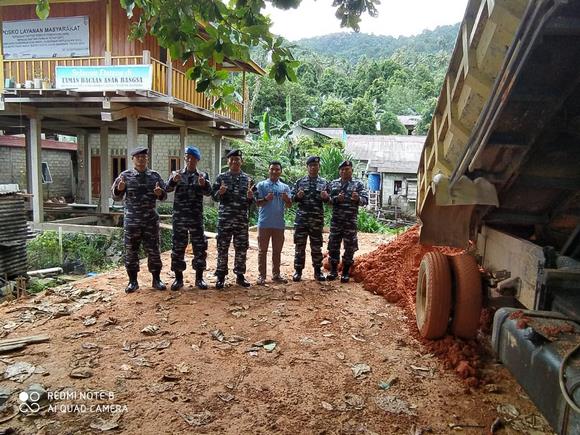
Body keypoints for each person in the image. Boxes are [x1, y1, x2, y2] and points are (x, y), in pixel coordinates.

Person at [111, 146, 168, 293]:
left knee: (154, 250)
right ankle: (133, 282)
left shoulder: (154, 176)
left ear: (147, 159)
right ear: (133, 159)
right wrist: (120, 188)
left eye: (143, 157)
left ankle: (156, 279)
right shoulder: (125, 176)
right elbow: (115, 197)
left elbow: (164, 196)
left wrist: (159, 192)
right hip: (132, 221)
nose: (141, 160)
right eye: (138, 157)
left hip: (150, 220)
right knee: (131, 252)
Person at [165, 146, 211, 291]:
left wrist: (204, 184)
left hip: (196, 217)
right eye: (187, 157)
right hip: (180, 218)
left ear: (197, 160)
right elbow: (167, 189)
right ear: (185, 158)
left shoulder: (203, 175)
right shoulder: (176, 174)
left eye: (192, 158)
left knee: (199, 247)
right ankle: (178, 279)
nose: (189, 160)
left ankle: (199, 278)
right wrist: (173, 181)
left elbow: (209, 193)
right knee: (178, 247)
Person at [211, 149, 254, 289]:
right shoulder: (221, 177)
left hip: (241, 220)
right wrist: (220, 192)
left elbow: (253, 202)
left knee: (241, 248)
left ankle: (240, 275)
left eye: (238, 159)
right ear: (228, 161)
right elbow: (214, 196)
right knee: (222, 248)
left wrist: (250, 197)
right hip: (225, 220)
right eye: (232, 159)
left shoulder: (248, 179)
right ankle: (221, 276)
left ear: (242, 161)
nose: (235, 162)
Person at [326, 160, 368, 283]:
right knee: (333, 245)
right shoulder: (333, 184)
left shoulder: (358, 184)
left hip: (350, 221)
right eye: (342, 169)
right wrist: (336, 199)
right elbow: (326, 200)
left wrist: (358, 199)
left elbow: (365, 200)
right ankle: (333, 271)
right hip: (336, 221)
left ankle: (345, 273)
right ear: (339, 171)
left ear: (352, 171)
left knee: (349, 247)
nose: (344, 171)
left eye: (347, 169)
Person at [291, 156, 329, 282]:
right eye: (311, 165)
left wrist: (325, 197)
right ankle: (298, 271)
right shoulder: (299, 182)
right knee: (299, 246)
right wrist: (298, 196)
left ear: (319, 167)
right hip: (301, 219)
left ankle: (318, 271)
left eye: (316, 165)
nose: (313, 167)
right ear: (307, 167)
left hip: (316, 220)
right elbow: (291, 198)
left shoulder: (324, 183)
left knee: (316, 247)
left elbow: (330, 200)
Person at [255, 161, 292, 285]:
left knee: (277, 251)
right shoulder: (261, 185)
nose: (274, 171)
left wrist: (287, 200)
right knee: (262, 250)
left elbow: (289, 205)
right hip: (264, 223)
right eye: (272, 169)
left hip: (279, 224)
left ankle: (276, 275)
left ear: (280, 171)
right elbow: (256, 203)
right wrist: (265, 199)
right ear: (268, 170)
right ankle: (261, 276)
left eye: (277, 169)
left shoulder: (285, 187)